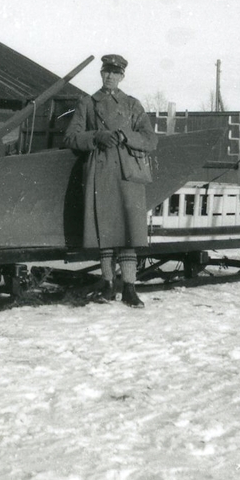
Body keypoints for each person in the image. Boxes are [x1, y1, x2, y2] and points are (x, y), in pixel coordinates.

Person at [63, 54, 158, 308]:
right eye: (106, 73)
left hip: (129, 174)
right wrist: (97, 137)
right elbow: (71, 137)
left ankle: (129, 287)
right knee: (104, 230)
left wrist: (126, 135)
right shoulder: (88, 103)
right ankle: (106, 284)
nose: (110, 77)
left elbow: (150, 139)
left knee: (129, 230)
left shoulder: (132, 105)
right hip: (101, 171)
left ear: (122, 77)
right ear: (101, 74)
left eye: (115, 74)